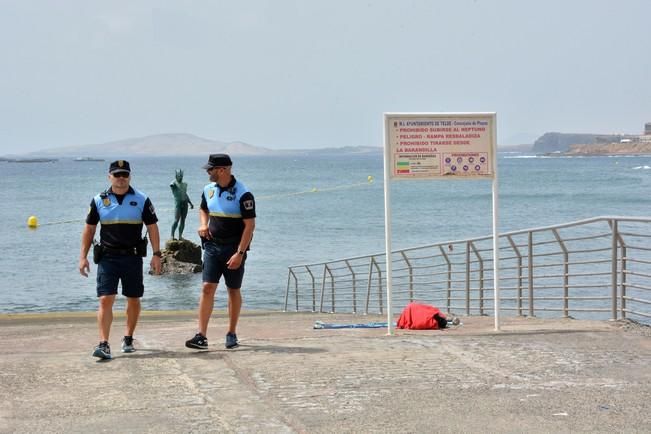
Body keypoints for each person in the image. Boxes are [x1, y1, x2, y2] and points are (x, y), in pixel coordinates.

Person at [79, 160, 162, 360]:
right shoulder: (99, 200)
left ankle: (128, 338)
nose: (121, 178)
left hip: (132, 257)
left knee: (133, 299)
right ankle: (104, 343)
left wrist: (157, 254)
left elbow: (152, 227)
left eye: (125, 174)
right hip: (108, 257)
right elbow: (89, 229)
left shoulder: (142, 199)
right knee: (106, 299)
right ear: (109, 177)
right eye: (117, 175)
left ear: (130, 177)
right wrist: (82, 256)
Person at [185, 154, 256, 350]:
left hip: (234, 249)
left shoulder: (244, 193)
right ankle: (201, 336)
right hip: (212, 247)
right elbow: (202, 209)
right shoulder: (208, 190)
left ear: (223, 169)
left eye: (211, 169)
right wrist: (202, 224)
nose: (208, 172)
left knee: (233, 290)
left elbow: (249, 226)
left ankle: (231, 333)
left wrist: (240, 254)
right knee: (207, 287)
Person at [170, 169, 194, 240]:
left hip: (185, 203)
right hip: (178, 204)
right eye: (179, 176)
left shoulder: (185, 184)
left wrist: (190, 203)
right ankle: (172, 235)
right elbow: (171, 185)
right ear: (176, 176)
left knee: (183, 220)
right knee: (176, 220)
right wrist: (173, 181)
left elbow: (185, 194)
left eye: (181, 176)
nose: (180, 177)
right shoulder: (174, 184)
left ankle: (180, 236)